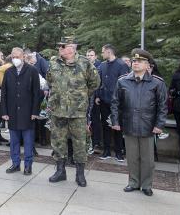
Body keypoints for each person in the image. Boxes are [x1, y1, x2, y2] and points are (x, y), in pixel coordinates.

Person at [111, 49, 167, 196]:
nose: (135, 63)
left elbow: (162, 106)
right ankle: (133, 182)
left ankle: (147, 185)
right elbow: (115, 103)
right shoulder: (122, 81)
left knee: (148, 159)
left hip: (148, 126)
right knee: (132, 157)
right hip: (129, 124)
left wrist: (159, 125)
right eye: (134, 61)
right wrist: (115, 121)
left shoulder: (156, 83)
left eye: (140, 61)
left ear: (148, 65)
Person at [46, 36, 100, 187]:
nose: (59, 49)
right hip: (57, 110)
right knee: (58, 142)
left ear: (71, 48)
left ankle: (80, 174)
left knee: (79, 144)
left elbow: (94, 84)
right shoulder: (54, 62)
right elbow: (50, 80)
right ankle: (60, 171)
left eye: (62, 46)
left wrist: (79, 97)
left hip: (77, 112)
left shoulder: (85, 63)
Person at [1, 47, 40, 175]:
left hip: (28, 112)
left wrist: (35, 111)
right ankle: (15, 163)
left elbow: (36, 93)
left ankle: (28, 165)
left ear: (23, 57)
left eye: (17, 56)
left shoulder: (32, 71)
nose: (15, 59)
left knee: (28, 141)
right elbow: (4, 93)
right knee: (14, 141)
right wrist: (4, 111)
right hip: (12, 112)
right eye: (13, 56)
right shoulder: (8, 72)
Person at [95, 44, 130, 162]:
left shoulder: (122, 65)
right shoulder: (102, 65)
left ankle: (119, 152)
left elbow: (126, 84)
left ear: (109, 52)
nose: (101, 54)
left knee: (117, 126)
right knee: (105, 126)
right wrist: (97, 95)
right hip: (104, 100)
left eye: (102, 52)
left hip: (117, 102)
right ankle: (106, 150)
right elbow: (98, 82)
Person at [86, 48, 102, 153]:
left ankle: (95, 143)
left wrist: (97, 96)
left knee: (95, 120)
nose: (89, 57)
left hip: (95, 99)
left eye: (91, 55)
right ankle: (88, 143)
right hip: (85, 98)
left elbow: (99, 84)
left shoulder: (99, 66)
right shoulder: (83, 66)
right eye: (87, 55)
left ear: (95, 56)